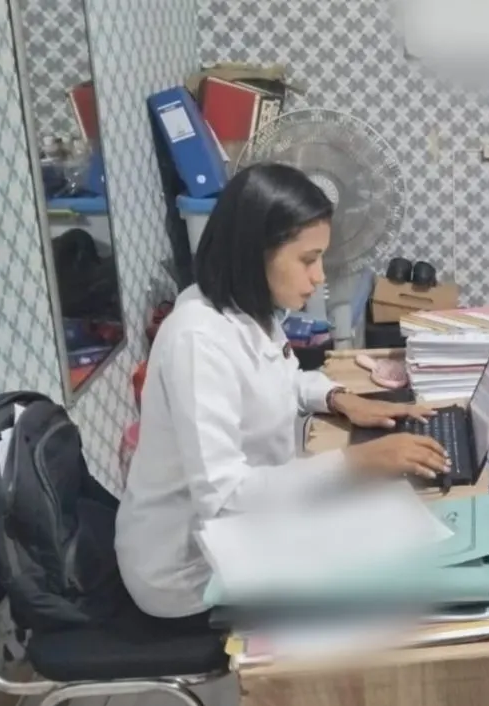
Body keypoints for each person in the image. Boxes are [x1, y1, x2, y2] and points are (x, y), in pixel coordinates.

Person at [117, 164, 450, 621]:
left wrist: (340, 398)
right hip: (188, 572)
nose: (318, 277)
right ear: (255, 253)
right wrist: (358, 461)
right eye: (308, 260)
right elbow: (223, 497)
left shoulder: (244, 310)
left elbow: (282, 377)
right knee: (396, 585)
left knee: (387, 524)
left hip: (247, 527)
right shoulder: (197, 341)